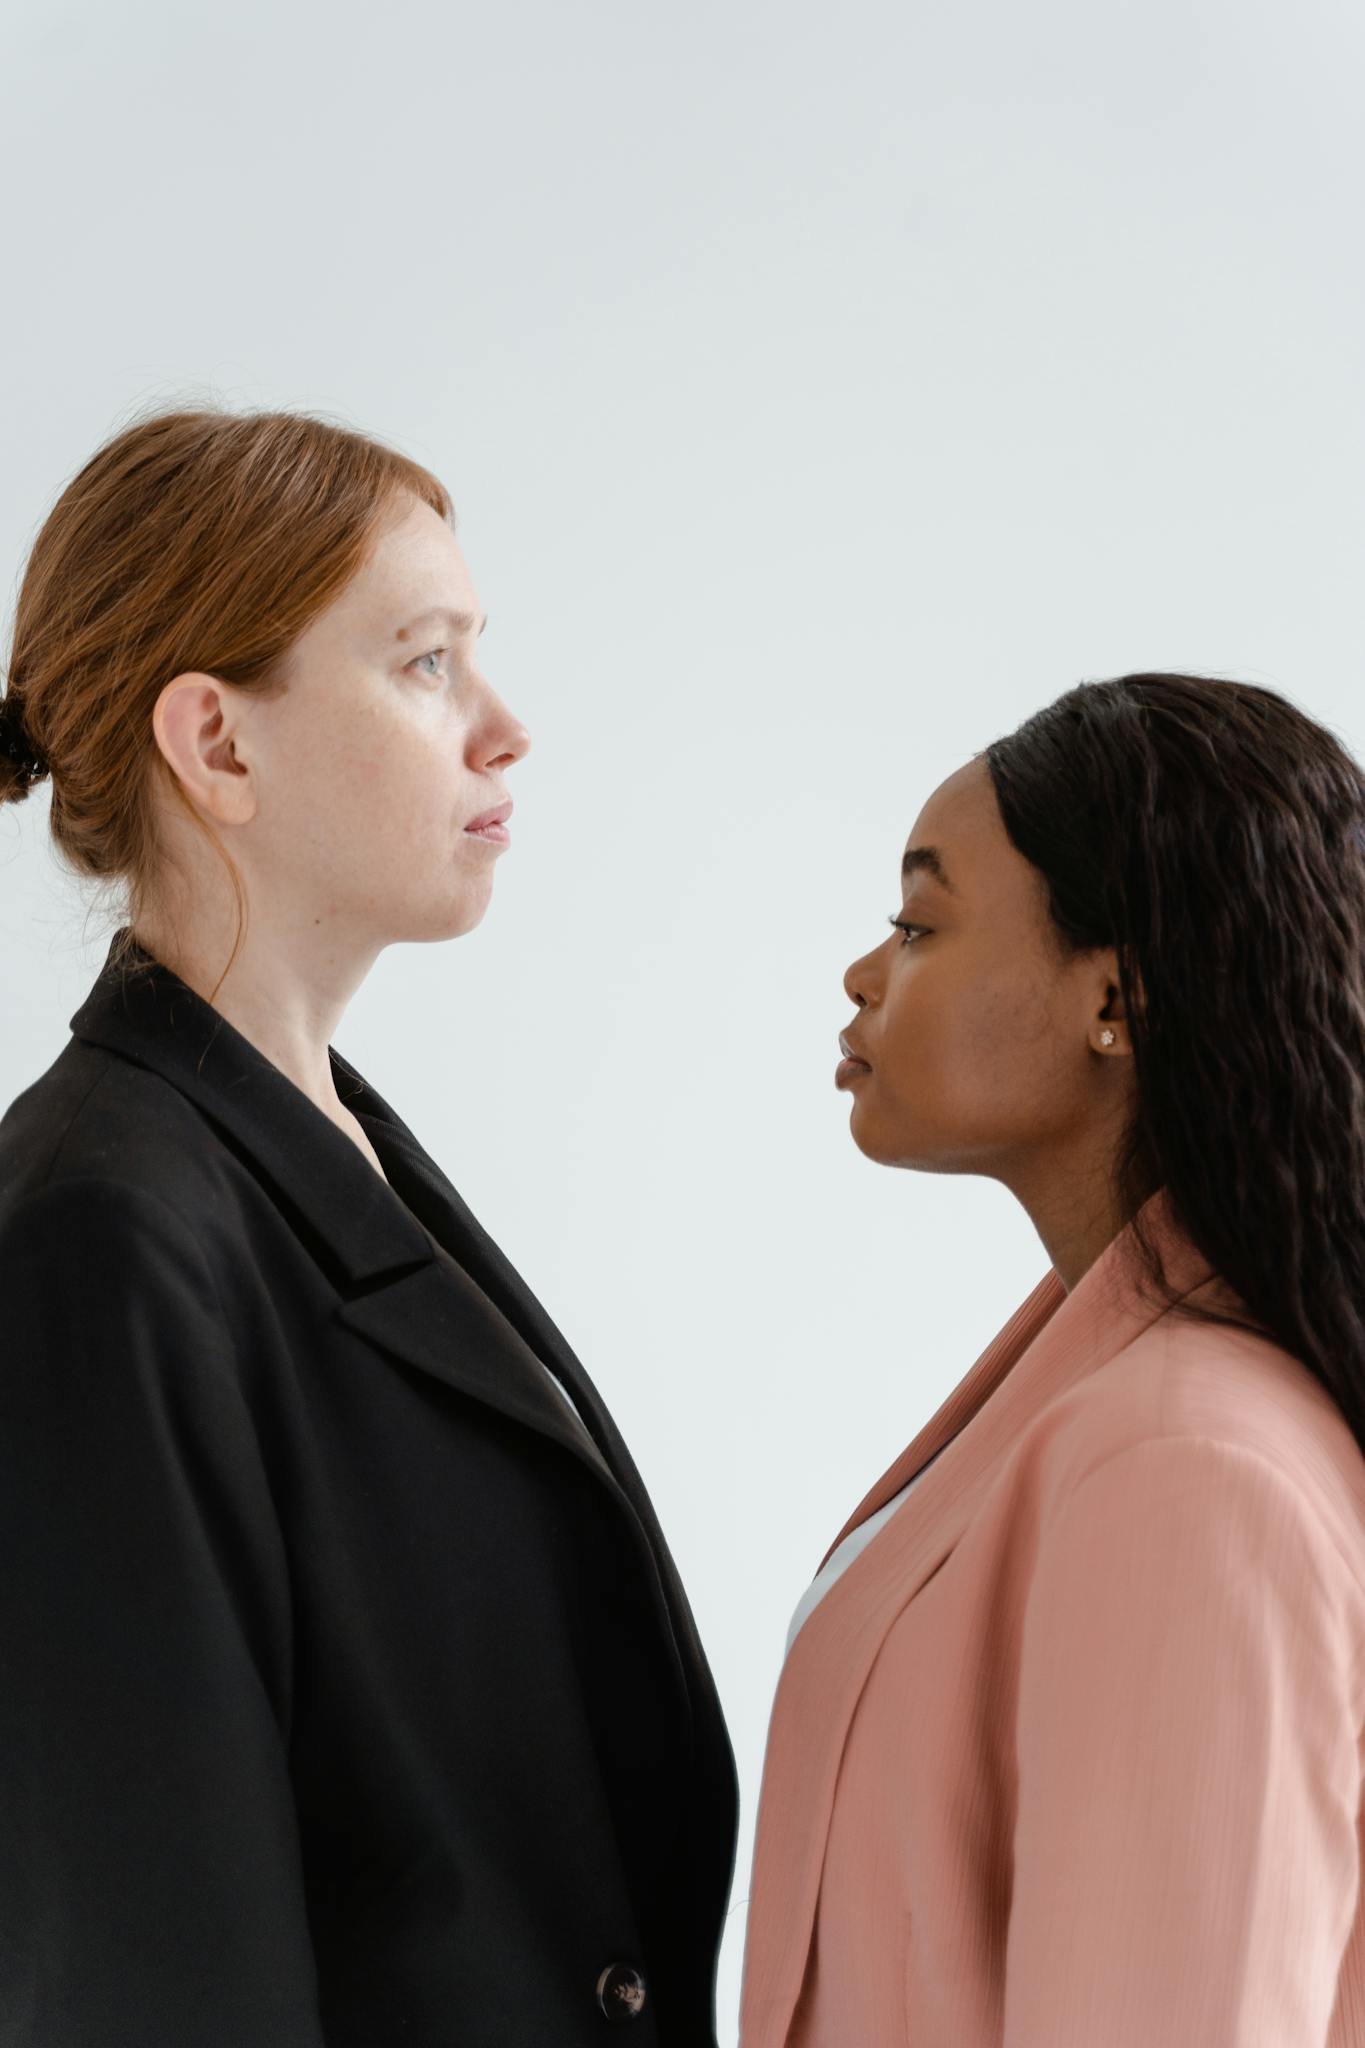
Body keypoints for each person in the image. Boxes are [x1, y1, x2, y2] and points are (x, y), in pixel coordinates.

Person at [0, 403, 738, 2047]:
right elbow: (152, 1960)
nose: (503, 728)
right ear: (219, 746)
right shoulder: (97, 1233)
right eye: (424, 662)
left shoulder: (317, 1146)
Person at [739, 673, 1365, 2046]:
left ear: (1114, 1000)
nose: (860, 972)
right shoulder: (1106, 1379)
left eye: (917, 924)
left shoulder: (1188, 1466)